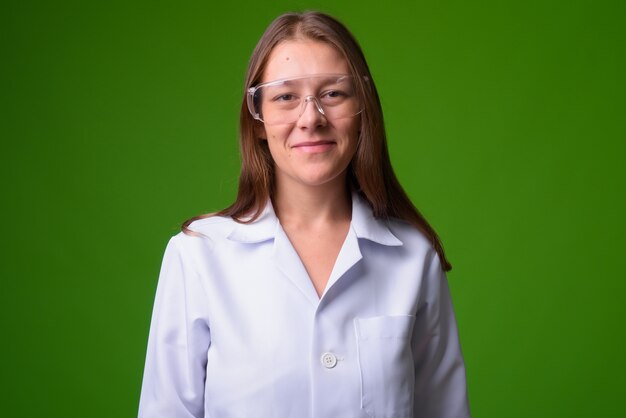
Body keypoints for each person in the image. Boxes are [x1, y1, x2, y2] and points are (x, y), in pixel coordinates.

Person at [138, 11, 470, 418]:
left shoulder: (414, 257)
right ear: (258, 119)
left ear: (362, 109)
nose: (311, 118)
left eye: (333, 94)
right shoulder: (199, 257)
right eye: (285, 97)